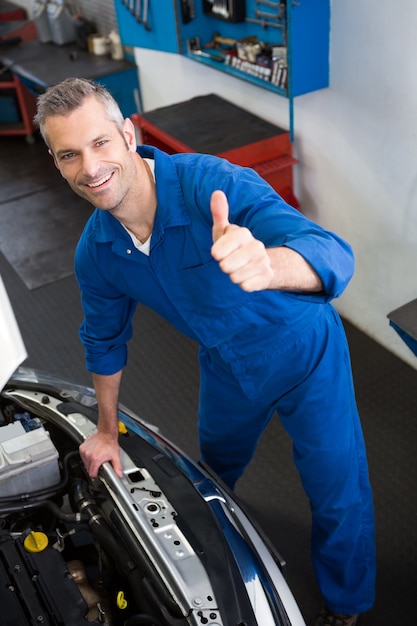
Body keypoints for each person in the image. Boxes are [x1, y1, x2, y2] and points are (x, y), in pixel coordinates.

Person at [34, 78, 375, 626]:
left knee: (336, 489)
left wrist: (271, 266)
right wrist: (103, 429)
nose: (90, 167)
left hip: (304, 350)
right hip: (226, 364)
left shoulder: (209, 184)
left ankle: (348, 602)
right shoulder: (95, 253)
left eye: (100, 143)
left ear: (128, 133)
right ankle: (226, 561)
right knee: (209, 476)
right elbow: (102, 338)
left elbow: (329, 250)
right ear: (57, 163)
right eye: (70, 154)